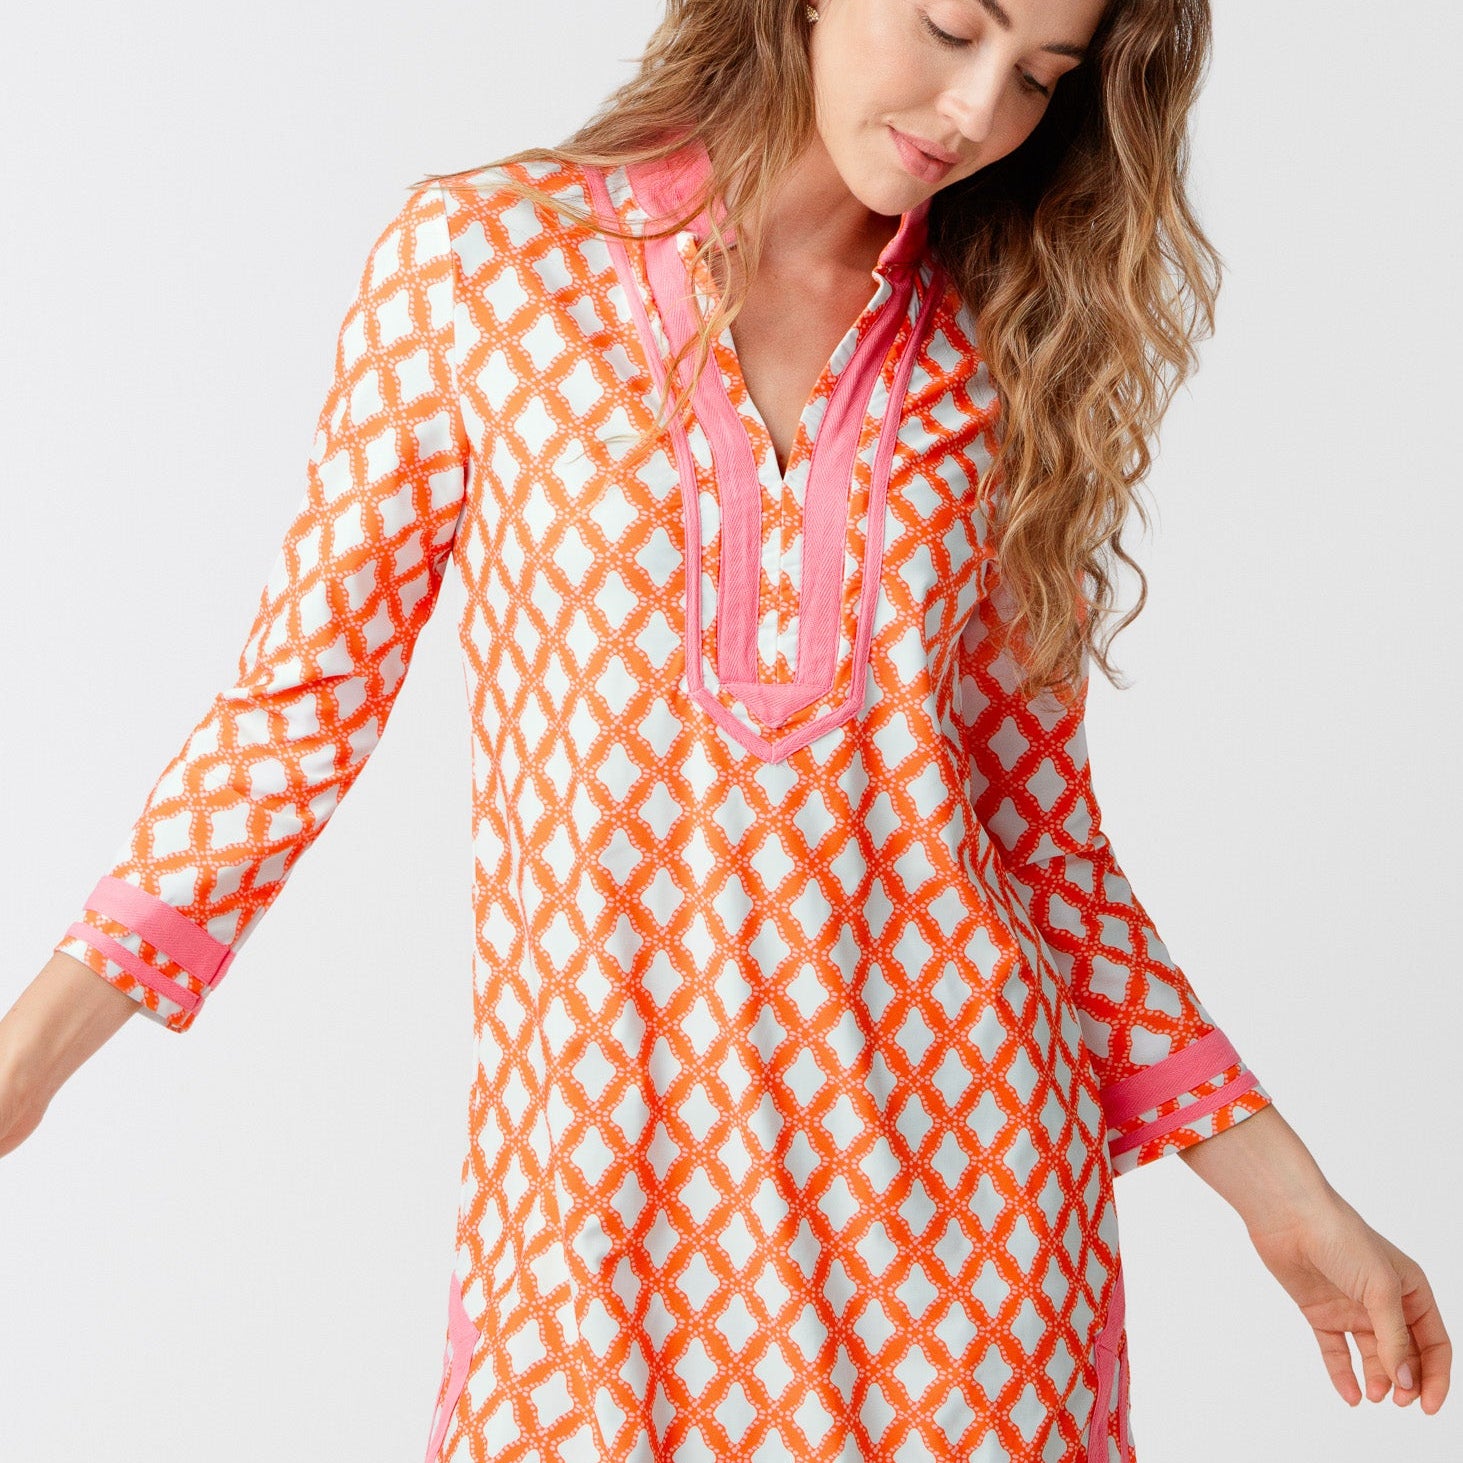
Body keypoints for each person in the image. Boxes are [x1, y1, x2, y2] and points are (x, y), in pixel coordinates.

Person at [0, 0, 1450, 1457]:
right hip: (599, 1231)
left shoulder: (1006, 353)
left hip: (971, 1246)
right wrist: (27, 1062)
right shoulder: (485, 266)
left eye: (1039, 80)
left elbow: (1037, 838)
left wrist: (1285, 1194)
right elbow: (294, 713)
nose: (975, 110)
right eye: (953, 27)